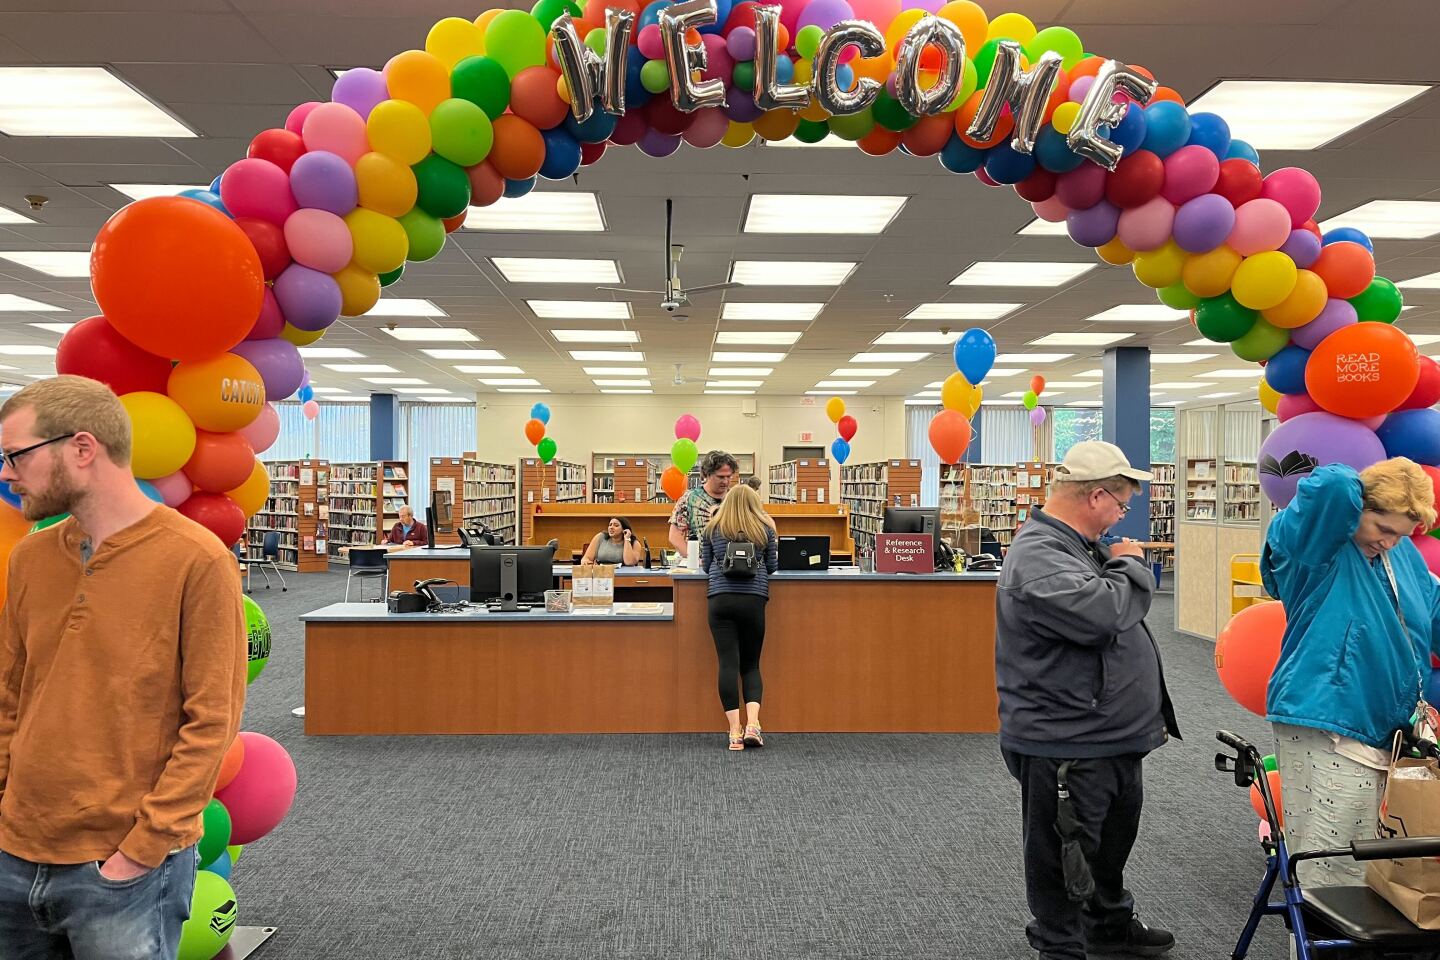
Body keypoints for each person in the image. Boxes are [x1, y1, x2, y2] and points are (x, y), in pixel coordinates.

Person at [0, 376, 247, 960]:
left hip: (122, 866)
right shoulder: (32, 556)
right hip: (16, 849)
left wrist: (142, 848)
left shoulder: (197, 560)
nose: (7, 472)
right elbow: (11, 691)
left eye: (16, 455)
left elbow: (212, 720)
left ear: (82, 449)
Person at [995, 440, 1180, 960]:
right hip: (1068, 739)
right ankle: (1061, 946)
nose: (1122, 516)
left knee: (1107, 847)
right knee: (1064, 854)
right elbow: (1102, 614)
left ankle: (1108, 925)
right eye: (1121, 505)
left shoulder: (1075, 545)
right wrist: (1133, 566)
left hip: (1107, 733)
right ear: (1096, 496)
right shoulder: (1039, 556)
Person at [1261, 459, 1440, 890]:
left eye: (1400, 533)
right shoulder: (1316, 546)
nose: (1389, 541)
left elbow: (1432, 614)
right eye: (1382, 525)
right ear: (1359, 506)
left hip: (1387, 728)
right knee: (1332, 861)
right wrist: (1369, 486)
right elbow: (1334, 485)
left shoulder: (1403, 557)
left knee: (1381, 856)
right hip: (1327, 719)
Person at [699, 483, 778, 750]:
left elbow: (704, 563)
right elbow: (773, 566)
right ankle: (753, 724)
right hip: (754, 599)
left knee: (727, 665)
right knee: (751, 665)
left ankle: (734, 731)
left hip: (720, 598)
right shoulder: (764, 529)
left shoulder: (712, 528)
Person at [668, 450, 737, 559]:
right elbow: (675, 537)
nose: (726, 481)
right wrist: (694, 560)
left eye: (729, 477)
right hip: (701, 567)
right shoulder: (689, 499)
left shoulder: (737, 498)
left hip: (733, 566)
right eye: (721, 477)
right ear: (707, 474)